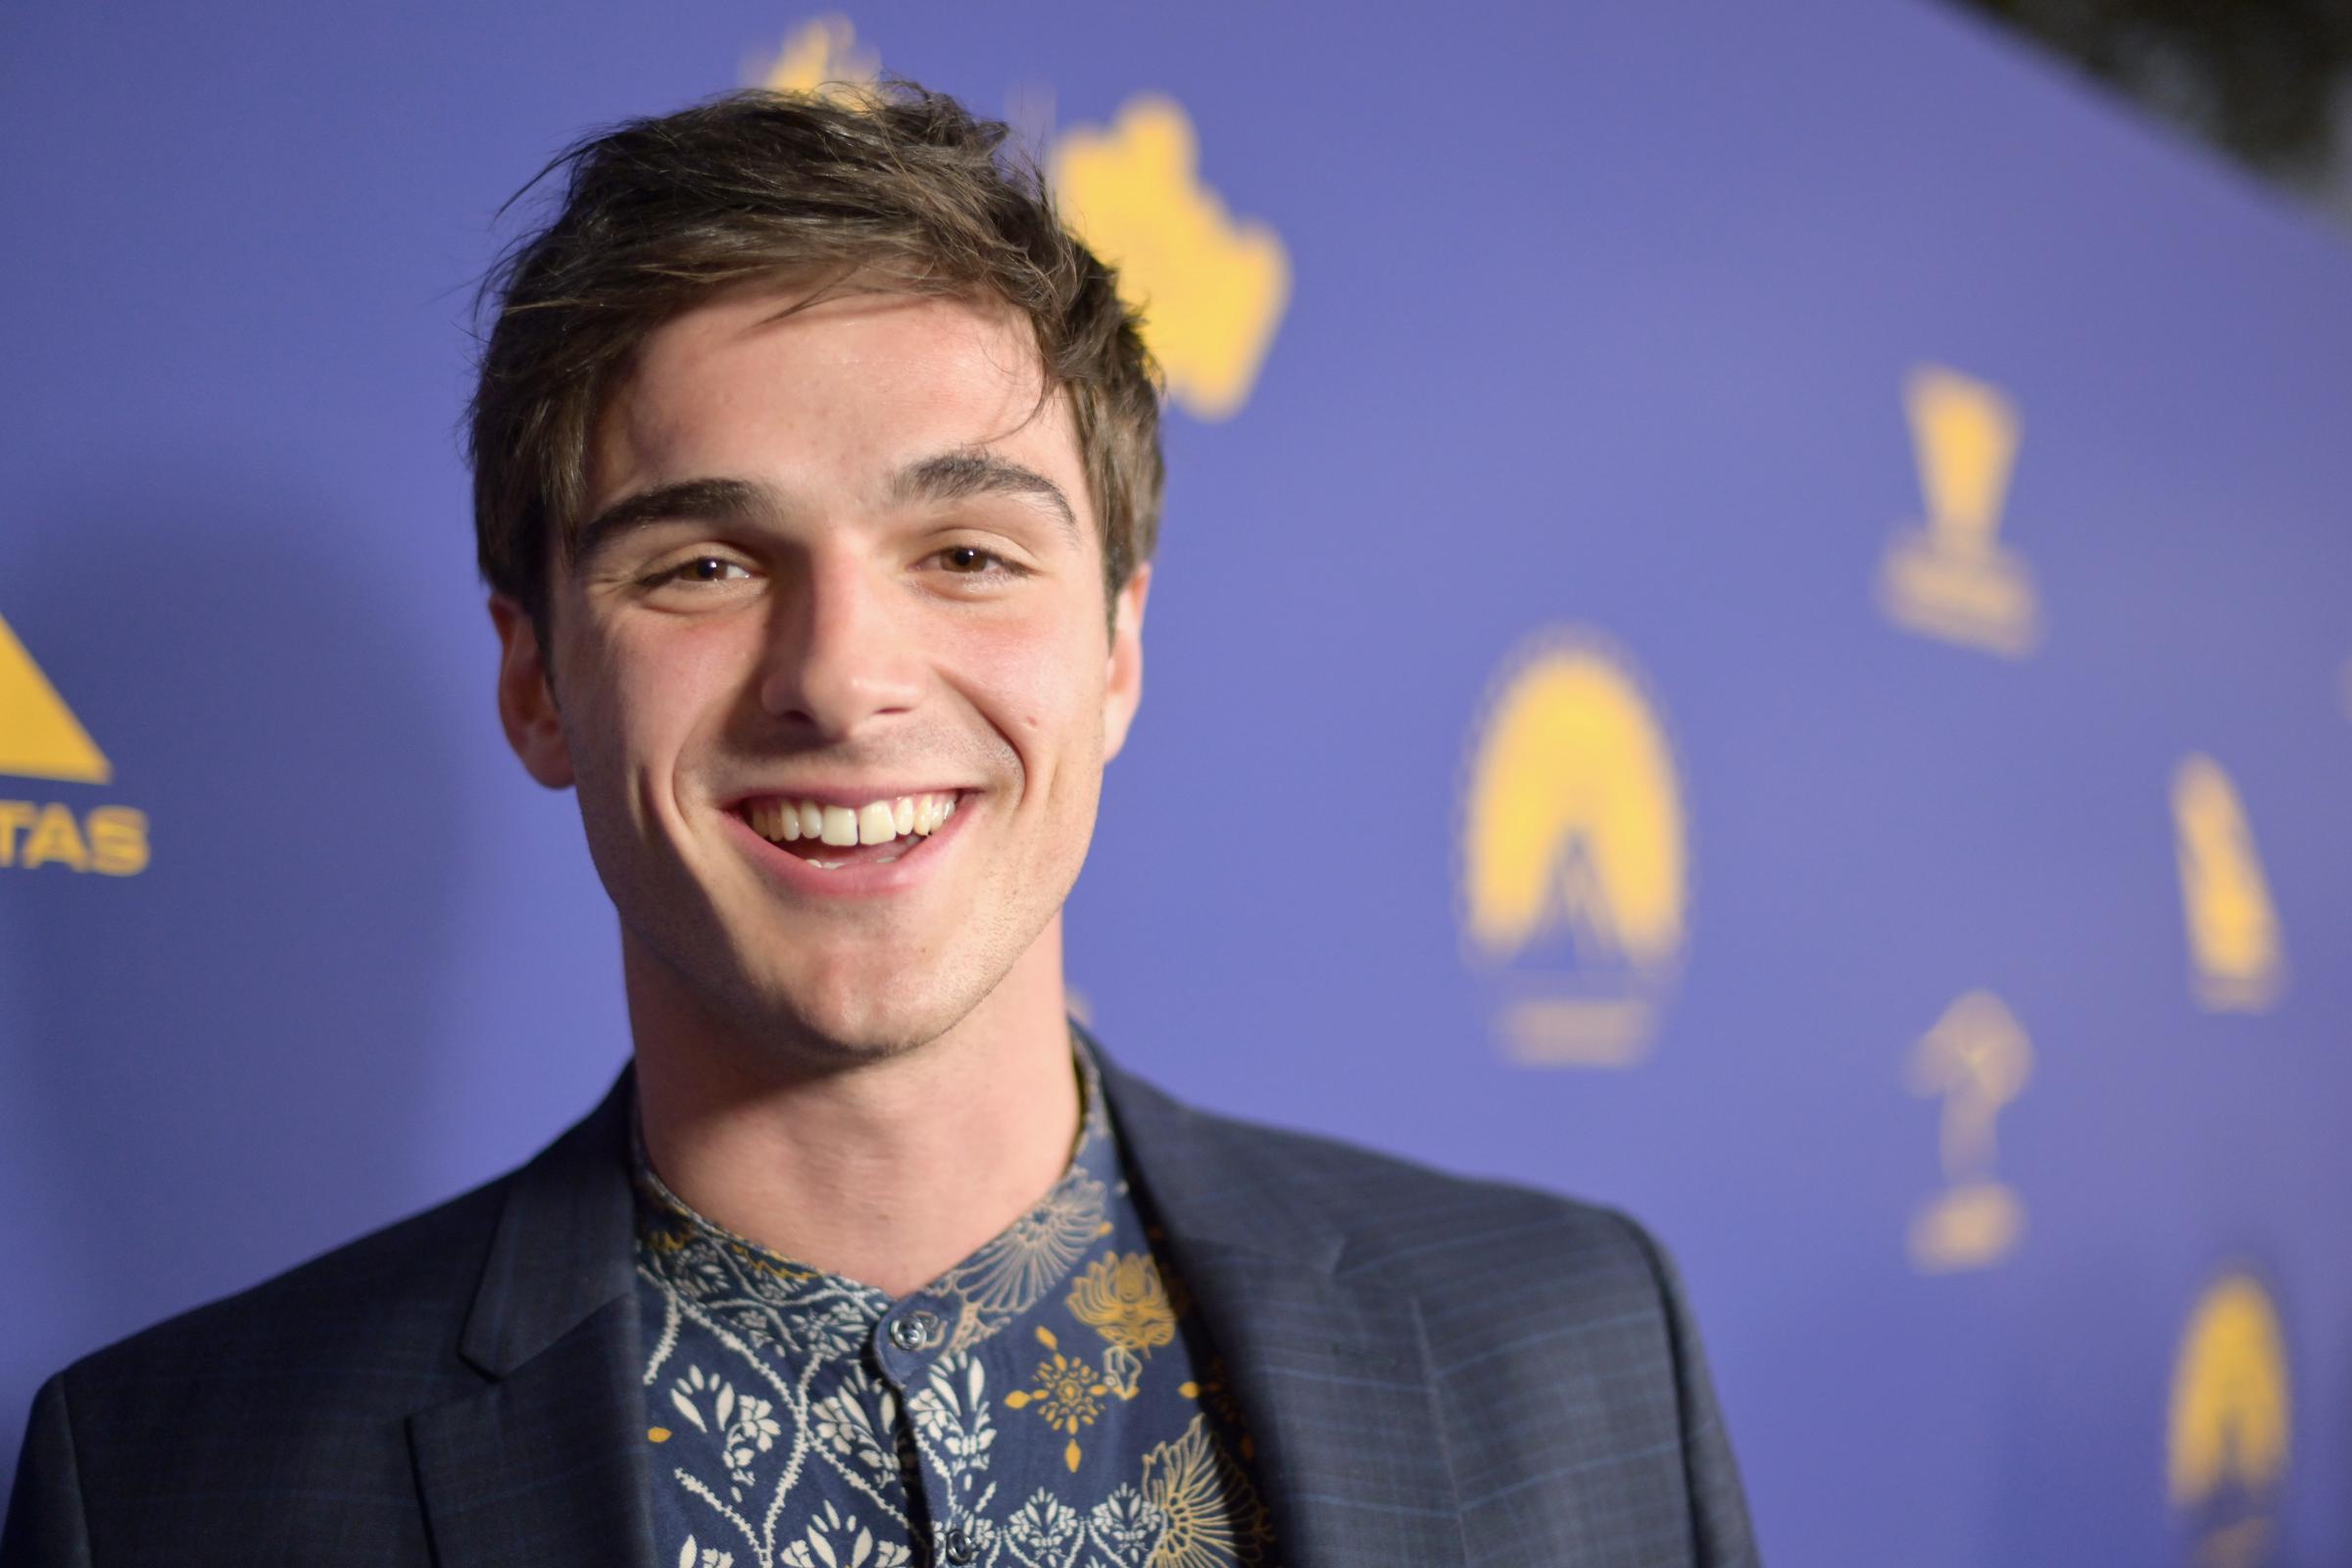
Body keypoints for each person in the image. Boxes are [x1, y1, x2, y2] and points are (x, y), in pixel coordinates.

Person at [2, 85, 1755, 1567]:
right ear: (537, 682)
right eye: (703, 563)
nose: (842, 680)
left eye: (969, 555)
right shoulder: (171, 1484)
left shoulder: (1575, 1346)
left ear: (1119, 651)